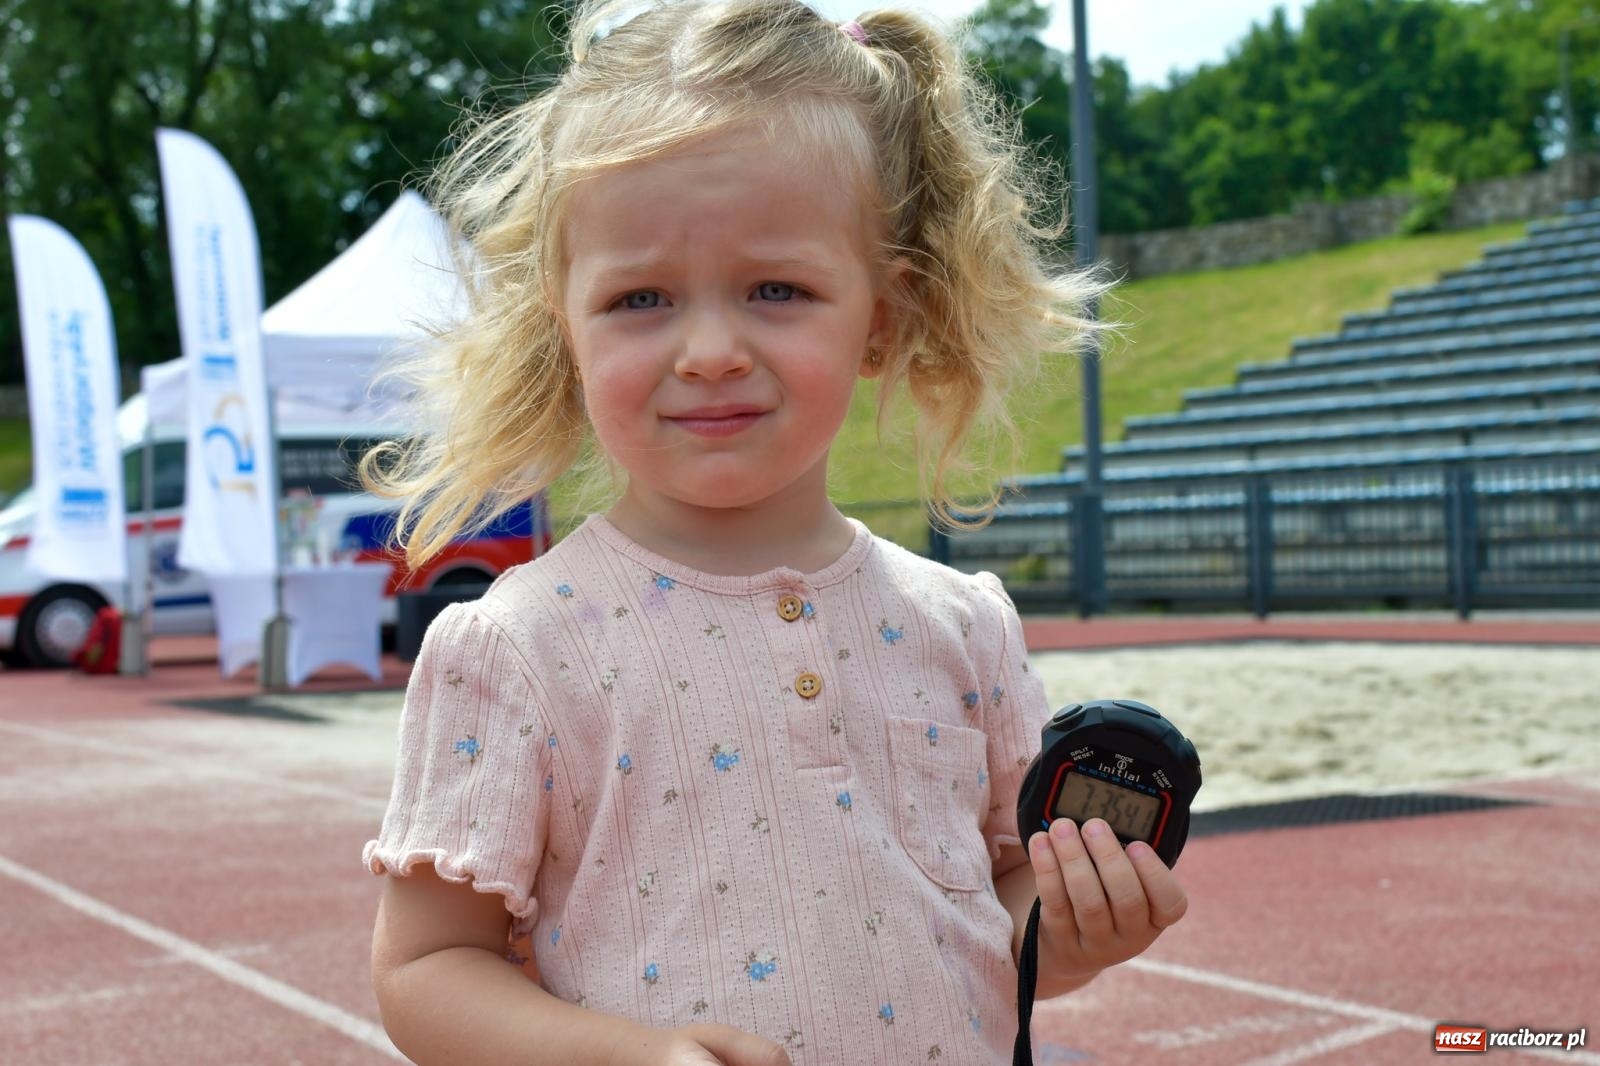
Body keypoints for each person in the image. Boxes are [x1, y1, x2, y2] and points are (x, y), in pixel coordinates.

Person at [360, 1, 1188, 1062]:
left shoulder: (961, 623)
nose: (709, 349)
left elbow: (1001, 918)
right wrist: (627, 1056)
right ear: (562, 328)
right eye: (641, 296)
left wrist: (1078, 926)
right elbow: (425, 969)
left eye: (776, 289)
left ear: (879, 320)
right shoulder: (513, 647)